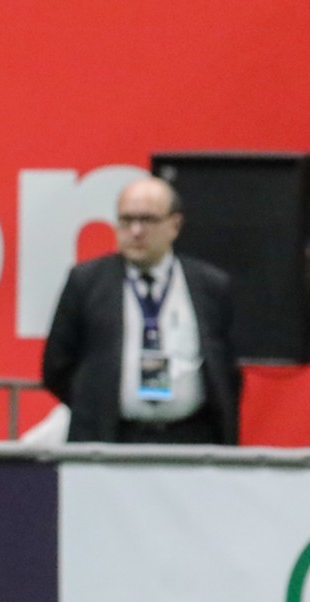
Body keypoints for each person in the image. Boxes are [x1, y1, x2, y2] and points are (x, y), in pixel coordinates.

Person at [40, 175, 242, 445]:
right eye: (126, 220)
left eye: (147, 220)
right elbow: (57, 367)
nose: (136, 231)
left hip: (190, 438)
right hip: (111, 439)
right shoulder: (86, 281)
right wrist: (94, 407)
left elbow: (226, 370)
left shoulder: (210, 285)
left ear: (174, 225)